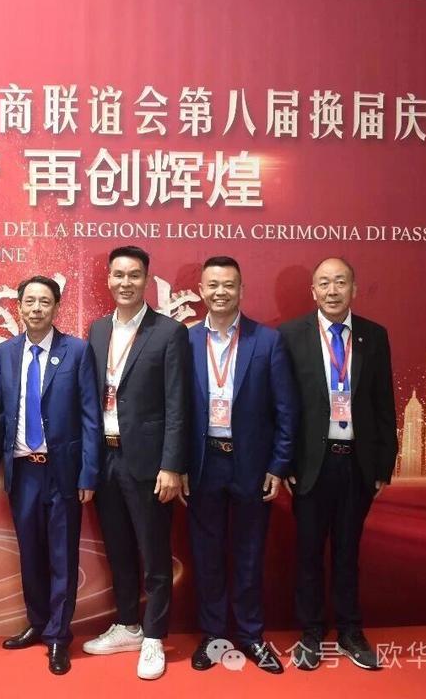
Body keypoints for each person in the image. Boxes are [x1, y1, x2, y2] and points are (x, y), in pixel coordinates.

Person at [279, 257, 396, 671]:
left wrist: (382, 466)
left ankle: (350, 631)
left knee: (348, 552)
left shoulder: (373, 336)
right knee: (309, 553)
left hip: (357, 465)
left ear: (354, 289)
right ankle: (311, 633)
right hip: (311, 465)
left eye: (340, 282)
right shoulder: (290, 336)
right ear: (313, 291)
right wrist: (285, 462)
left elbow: (384, 403)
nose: (332, 290)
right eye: (324, 283)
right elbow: (282, 406)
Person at [184, 256, 297, 675]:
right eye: (212, 285)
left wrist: (278, 464)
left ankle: (251, 635)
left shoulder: (267, 341)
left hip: (251, 464)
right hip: (202, 463)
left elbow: (286, 410)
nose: (220, 292)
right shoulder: (186, 341)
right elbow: (175, 411)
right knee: (206, 555)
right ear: (201, 290)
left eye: (228, 285)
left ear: (241, 290)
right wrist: (177, 464)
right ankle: (213, 635)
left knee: (249, 554)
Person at [82, 246, 190, 680]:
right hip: (105, 457)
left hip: (147, 462)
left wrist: (172, 465)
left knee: (154, 552)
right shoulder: (97, 330)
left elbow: (178, 404)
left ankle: (154, 636)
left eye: (134, 275)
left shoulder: (168, 332)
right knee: (119, 549)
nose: (125, 283)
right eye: (118, 275)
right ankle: (127, 624)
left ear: (147, 280)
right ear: (108, 279)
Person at [0, 275, 101, 675]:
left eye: (45, 301)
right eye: (30, 301)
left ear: (56, 307)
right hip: (22, 470)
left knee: (62, 556)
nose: (37, 308)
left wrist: (88, 473)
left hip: (62, 472)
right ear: (19, 306)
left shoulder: (77, 351)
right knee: (31, 553)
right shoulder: (4, 353)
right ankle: (37, 622)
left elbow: (90, 416)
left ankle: (58, 636)